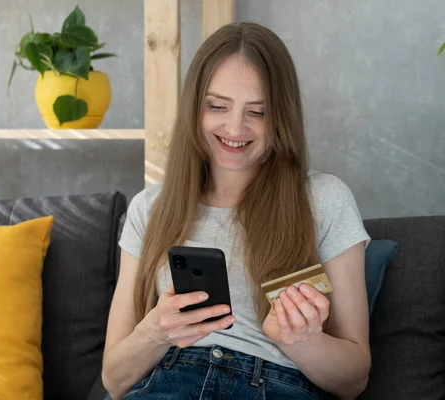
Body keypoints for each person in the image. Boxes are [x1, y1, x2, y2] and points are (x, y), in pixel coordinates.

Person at [101, 21, 371, 400]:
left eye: (257, 112)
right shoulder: (150, 208)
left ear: (281, 117)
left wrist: (303, 341)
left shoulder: (325, 199)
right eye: (217, 106)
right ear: (195, 107)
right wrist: (155, 332)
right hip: (168, 385)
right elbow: (114, 381)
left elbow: (354, 379)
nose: (234, 127)